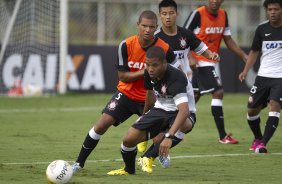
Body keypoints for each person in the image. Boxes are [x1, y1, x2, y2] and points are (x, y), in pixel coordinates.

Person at [71, 10, 178, 173]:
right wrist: (147, 70)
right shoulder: (126, 45)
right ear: (138, 25)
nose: (147, 30)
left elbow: (174, 70)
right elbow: (123, 76)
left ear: (156, 27)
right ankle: (79, 164)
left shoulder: (164, 48)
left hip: (153, 98)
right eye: (144, 26)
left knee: (156, 137)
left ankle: (151, 156)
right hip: (127, 95)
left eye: (151, 27)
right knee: (101, 125)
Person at [137, 0, 220, 173]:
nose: (168, 17)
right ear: (160, 16)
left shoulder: (185, 35)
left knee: (184, 124)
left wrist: (210, 54)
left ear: (177, 14)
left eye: (171, 13)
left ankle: (153, 153)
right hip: (164, 87)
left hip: (182, 87)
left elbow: (201, 47)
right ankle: (150, 152)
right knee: (174, 125)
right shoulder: (156, 38)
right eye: (164, 14)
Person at [107, 46, 189, 176]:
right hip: (160, 108)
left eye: (155, 65)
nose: (150, 68)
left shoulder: (176, 77)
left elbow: (184, 111)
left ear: (164, 63)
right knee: (128, 139)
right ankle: (129, 169)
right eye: (148, 64)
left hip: (181, 111)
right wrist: (144, 117)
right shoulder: (148, 72)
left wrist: (169, 137)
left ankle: (151, 155)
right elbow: (150, 95)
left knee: (184, 125)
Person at [183, 0, 248, 144]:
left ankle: (172, 128)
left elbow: (228, 40)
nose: (214, 1)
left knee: (194, 95)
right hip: (198, 61)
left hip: (211, 61)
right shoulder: (197, 14)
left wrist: (243, 55)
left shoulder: (223, 14)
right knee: (218, 92)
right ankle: (223, 136)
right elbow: (183, 36)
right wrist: (191, 56)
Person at [239, 0, 282, 153]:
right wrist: (245, 71)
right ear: (266, 10)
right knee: (251, 110)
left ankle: (263, 143)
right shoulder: (262, 29)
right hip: (263, 76)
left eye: (276, 9)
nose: (272, 12)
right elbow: (254, 52)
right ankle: (257, 137)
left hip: (280, 77)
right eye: (269, 9)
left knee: (275, 105)